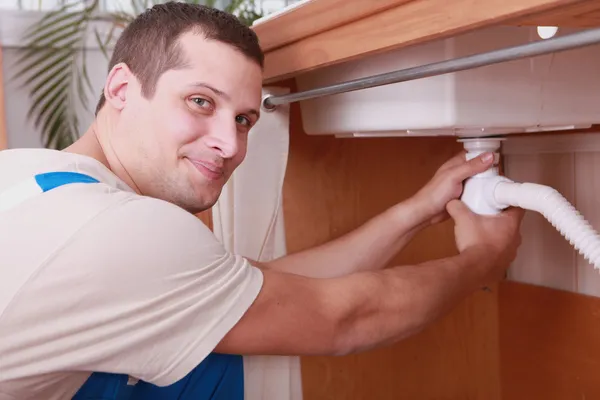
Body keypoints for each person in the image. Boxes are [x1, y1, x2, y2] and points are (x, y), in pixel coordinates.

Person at [0, 2, 524, 399]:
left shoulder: (29, 176)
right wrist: (485, 259)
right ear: (120, 89)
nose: (230, 145)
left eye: (244, 120)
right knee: (217, 360)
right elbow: (346, 318)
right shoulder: (119, 234)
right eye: (200, 101)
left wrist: (416, 211)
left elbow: (259, 289)